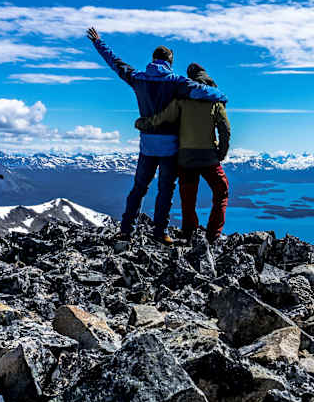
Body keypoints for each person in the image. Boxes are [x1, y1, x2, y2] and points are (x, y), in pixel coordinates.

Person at [86, 27, 227, 244]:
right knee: (165, 191)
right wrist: (222, 96)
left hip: (147, 146)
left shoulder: (138, 78)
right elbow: (204, 92)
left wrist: (98, 43)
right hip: (170, 147)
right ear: (170, 61)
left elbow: (115, 62)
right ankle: (160, 233)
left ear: (152, 59)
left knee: (139, 189)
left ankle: (126, 231)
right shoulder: (177, 82)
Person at [144, 63, 230, 244]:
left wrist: (143, 123)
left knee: (188, 197)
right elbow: (225, 129)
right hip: (209, 158)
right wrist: (220, 153)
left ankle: (189, 232)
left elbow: (162, 118)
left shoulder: (181, 100)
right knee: (221, 192)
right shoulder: (215, 101)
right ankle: (213, 234)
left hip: (185, 158)